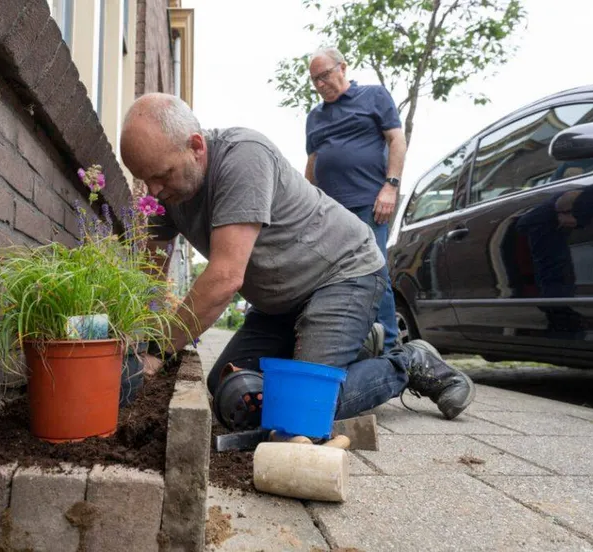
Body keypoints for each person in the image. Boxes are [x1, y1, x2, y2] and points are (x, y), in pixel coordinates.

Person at [119, 92, 475, 422]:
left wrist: (157, 354)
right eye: (144, 180)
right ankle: (352, 347)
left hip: (343, 275)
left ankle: (407, 362)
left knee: (299, 406)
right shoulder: (165, 193)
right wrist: (135, 338)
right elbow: (149, 275)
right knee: (231, 390)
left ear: (196, 146)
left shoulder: (243, 157)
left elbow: (225, 278)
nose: (154, 191)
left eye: (161, 176)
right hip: (278, 303)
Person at [305, 47, 405, 351]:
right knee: (332, 278)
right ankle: (349, 343)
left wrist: (391, 186)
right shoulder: (314, 117)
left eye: (324, 76)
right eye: (314, 80)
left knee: (375, 273)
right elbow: (312, 162)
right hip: (330, 210)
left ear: (342, 68)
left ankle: (391, 348)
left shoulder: (374, 96)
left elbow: (397, 139)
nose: (321, 84)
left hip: (368, 203)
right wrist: (306, 204)